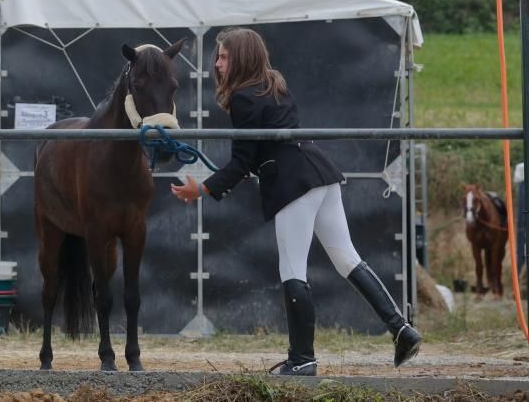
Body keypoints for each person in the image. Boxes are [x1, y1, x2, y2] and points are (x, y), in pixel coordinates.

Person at [170, 27, 421, 376]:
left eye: (224, 56)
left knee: (292, 269)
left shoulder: (243, 97)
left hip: (293, 183)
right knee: (347, 257)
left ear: (241, 58)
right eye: (218, 57)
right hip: (319, 172)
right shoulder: (274, 83)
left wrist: (203, 189)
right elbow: (257, 154)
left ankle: (302, 359)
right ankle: (401, 329)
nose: (217, 64)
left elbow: (242, 162)